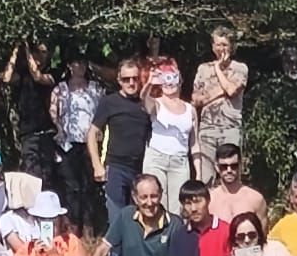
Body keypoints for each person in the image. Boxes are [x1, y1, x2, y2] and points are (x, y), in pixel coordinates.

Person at [88, 58, 151, 226]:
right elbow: (92, 133)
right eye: (126, 79)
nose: (131, 83)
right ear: (119, 81)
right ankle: (116, 252)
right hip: (115, 168)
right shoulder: (109, 102)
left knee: (138, 221)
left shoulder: (146, 104)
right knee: (117, 219)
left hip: (140, 170)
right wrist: (97, 165)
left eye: (134, 78)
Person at [51, 55, 103, 233]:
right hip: (68, 143)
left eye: (83, 63)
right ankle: (73, 227)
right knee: (71, 186)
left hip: (91, 143)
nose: (80, 66)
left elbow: (102, 113)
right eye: (76, 62)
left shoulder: (95, 88)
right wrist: (59, 129)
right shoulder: (61, 89)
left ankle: (89, 227)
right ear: (69, 65)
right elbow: (53, 112)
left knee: (89, 186)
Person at [192, 27, 248, 184]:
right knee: (205, 176)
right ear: (212, 46)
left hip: (230, 128)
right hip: (207, 128)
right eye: (218, 45)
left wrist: (217, 68)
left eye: (224, 45)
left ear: (231, 47)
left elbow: (231, 90)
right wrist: (218, 92)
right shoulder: (202, 69)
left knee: (231, 174)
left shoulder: (240, 68)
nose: (221, 49)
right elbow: (196, 100)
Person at [142, 67, 197, 216]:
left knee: (178, 207)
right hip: (156, 158)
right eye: (165, 78)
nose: (169, 83)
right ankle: (156, 237)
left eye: (173, 77)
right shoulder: (156, 104)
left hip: (180, 162)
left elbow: (194, 143)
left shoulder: (190, 109)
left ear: (180, 80)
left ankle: (173, 237)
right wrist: (149, 83)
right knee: (155, 202)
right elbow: (144, 100)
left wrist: (198, 172)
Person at [4, 38, 55, 180]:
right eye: (36, 52)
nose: (39, 55)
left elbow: (38, 77)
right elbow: (7, 78)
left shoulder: (53, 72)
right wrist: (15, 52)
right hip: (28, 132)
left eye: (43, 52)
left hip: (47, 131)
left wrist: (26, 49)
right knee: (31, 172)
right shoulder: (22, 74)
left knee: (47, 173)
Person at [207, 145, 266, 228]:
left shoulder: (256, 199)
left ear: (240, 165)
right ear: (217, 167)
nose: (229, 170)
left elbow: (262, 236)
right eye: (224, 166)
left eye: (234, 166)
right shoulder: (209, 200)